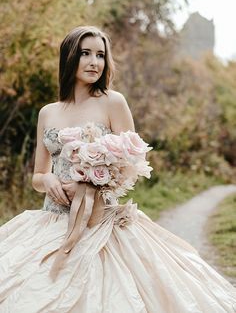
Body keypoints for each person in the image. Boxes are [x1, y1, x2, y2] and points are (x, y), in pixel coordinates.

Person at [0, 26, 235, 313]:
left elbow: (131, 165)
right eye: (85, 53)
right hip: (52, 220)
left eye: (100, 55)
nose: (93, 62)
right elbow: (37, 175)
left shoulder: (113, 102)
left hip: (100, 221)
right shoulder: (48, 112)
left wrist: (91, 184)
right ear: (69, 58)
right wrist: (47, 179)